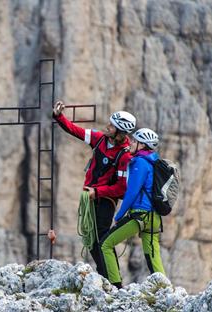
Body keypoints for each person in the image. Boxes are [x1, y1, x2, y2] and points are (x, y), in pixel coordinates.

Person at [51, 100, 136, 279]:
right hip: (91, 196)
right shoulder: (100, 140)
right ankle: (105, 274)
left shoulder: (124, 156)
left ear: (119, 132)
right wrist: (59, 117)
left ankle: (113, 279)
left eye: (112, 126)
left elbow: (121, 188)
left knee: (102, 240)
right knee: (91, 240)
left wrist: (98, 192)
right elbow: (77, 131)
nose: (107, 127)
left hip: (105, 201)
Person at [100, 128, 166, 289]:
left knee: (105, 244)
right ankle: (165, 289)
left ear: (142, 145)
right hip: (154, 218)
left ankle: (116, 286)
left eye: (135, 141)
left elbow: (132, 192)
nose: (132, 143)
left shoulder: (140, 163)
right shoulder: (152, 161)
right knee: (153, 255)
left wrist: (119, 215)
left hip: (140, 216)